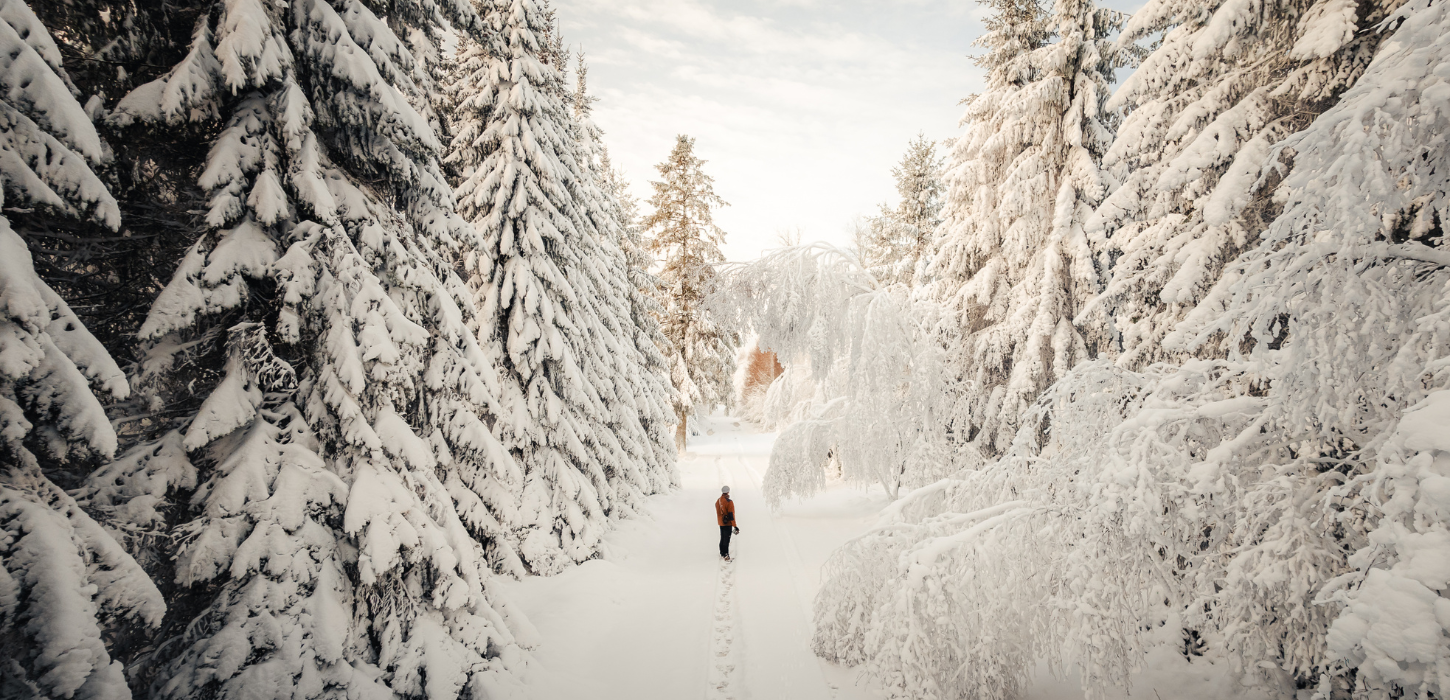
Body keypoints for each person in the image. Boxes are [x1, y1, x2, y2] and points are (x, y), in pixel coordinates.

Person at [716, 485, 739, 561]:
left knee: (722, 538)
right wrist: (735, 525)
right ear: (728, 492)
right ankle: (726, 555)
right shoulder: (729, 502)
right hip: (727, 523)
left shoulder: (718, 501)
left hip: (721, 523)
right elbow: (731, 515)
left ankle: (722, 553)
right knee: (727, 539)